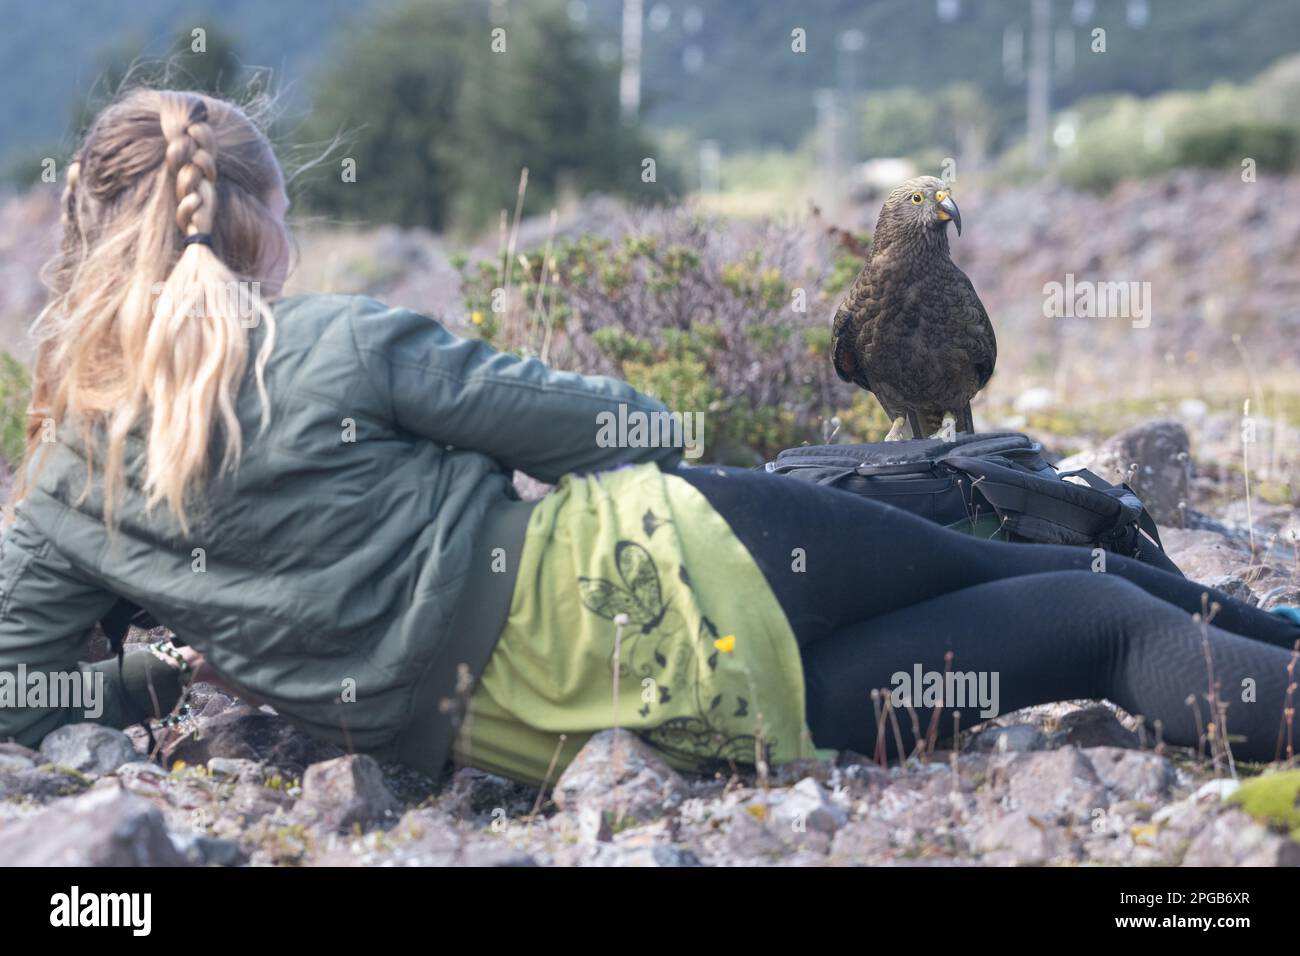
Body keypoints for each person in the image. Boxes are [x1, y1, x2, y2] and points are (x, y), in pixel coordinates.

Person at [2, 91, 1296, 790]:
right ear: (265, 231)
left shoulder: (66, 486)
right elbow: (616, 429)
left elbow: (16, 693)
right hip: (668, 550)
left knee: (1077, 635)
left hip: (633, 725)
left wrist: (177, 667)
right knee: (1097, 594)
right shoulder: (338, 341)